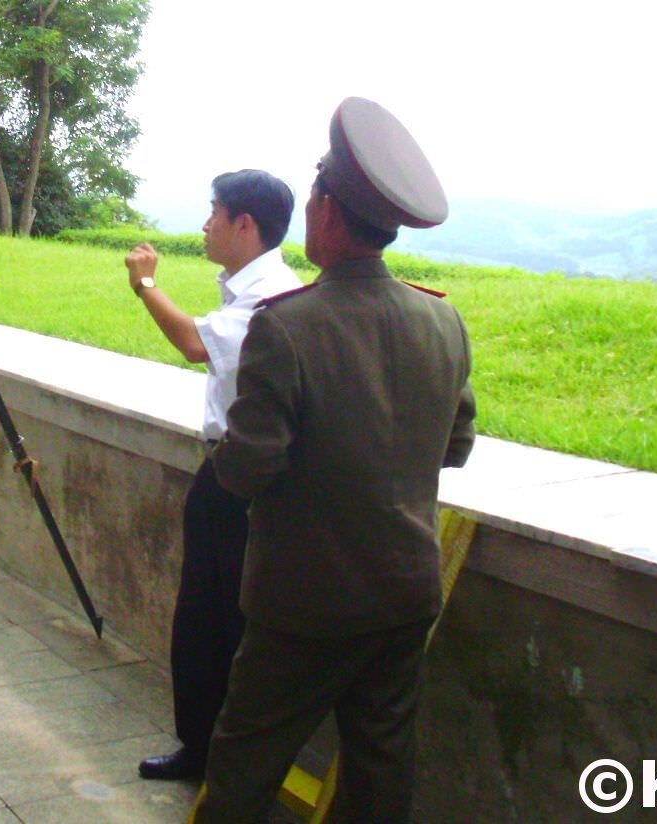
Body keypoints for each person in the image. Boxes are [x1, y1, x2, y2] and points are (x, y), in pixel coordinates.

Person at [196, 97, 477, 823]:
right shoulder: (441, 320)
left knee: (244, 766)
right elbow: (457, 445)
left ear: (324, 207)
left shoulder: (286, 328)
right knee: (381, 773)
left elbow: (250, 466)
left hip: (305, 602)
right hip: (405, 594)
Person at [125, 170, 302, 781]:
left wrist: (145, 284)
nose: (205, 225)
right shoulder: (250, 287)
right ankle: (203, 747)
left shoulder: (270, 293)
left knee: (218, 619)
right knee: (205, 617)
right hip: (229, 471)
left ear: (244, 224)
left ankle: (217, 755)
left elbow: (194, 345)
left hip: (242, 478)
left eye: (214, 213)